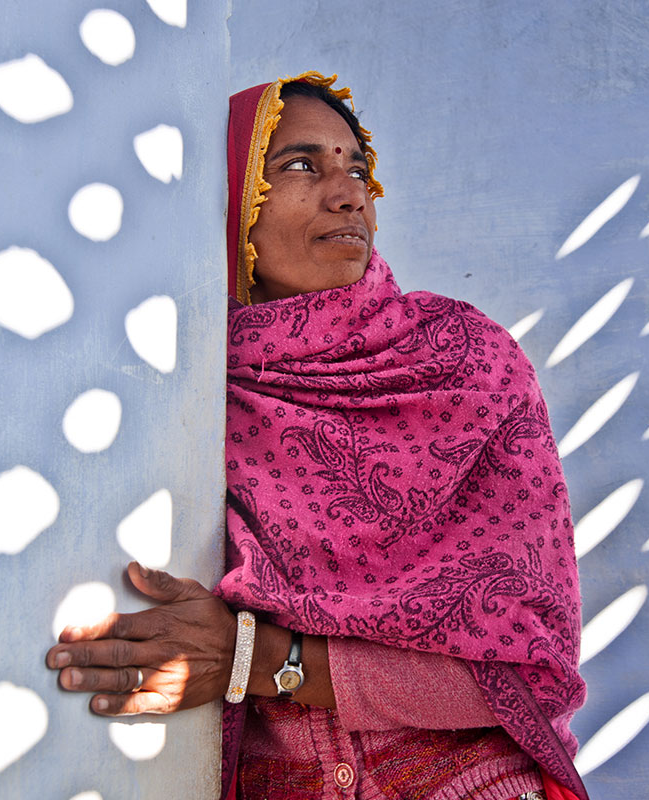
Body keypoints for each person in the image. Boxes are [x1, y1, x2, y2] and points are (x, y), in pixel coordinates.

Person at [46, 72, 588, 800]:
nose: (348, 194)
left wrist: (262, 659)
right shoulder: (190, 383)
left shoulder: (466, 366)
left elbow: (529, 671)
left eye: (356, 168)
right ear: (232, 196)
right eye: (300, 164)